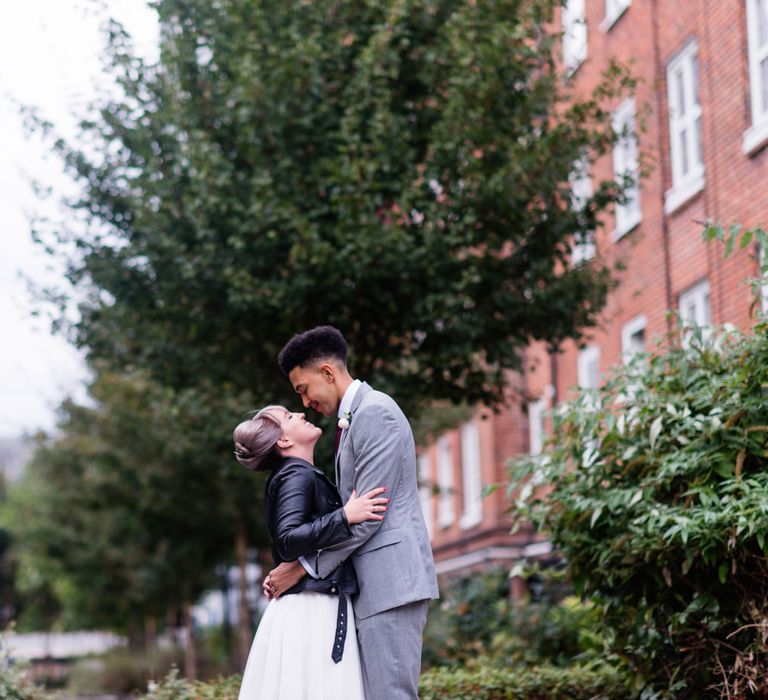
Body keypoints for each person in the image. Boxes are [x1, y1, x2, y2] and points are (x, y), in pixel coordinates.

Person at [265, 325, 439, 700]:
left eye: (303, 389)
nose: (305, 402)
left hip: (391, 584)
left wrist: (301, 567)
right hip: (373, 584)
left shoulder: (377, 414)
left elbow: (368, 517)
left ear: (327, 372)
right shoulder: (354, 419)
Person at [233, 404, 389, 699]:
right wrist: (345, 515)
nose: (302, 414)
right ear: (283, 441)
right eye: (290, 417)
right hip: (313, 606)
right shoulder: (296, 475)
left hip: (314, 602)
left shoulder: (298, 474)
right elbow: (288, 540)